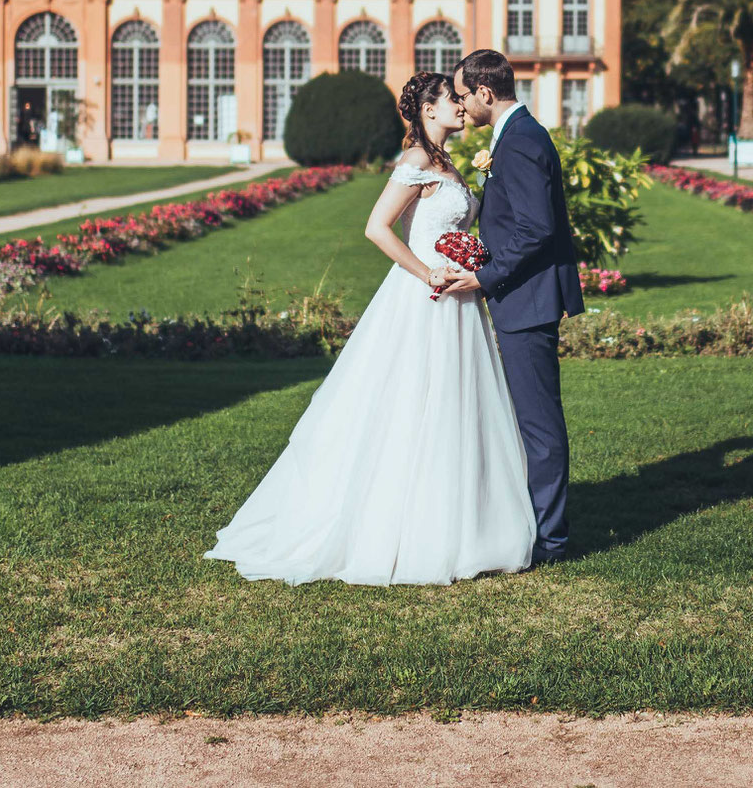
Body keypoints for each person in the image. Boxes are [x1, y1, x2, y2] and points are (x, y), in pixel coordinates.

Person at [204, 72, 536, 585]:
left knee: (454, 404)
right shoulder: (418, 161)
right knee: (409, 405)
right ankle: (401, 527)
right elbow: (376, 227)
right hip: (422, 297)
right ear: (429, 110)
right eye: (453, 99)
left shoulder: (447, 162)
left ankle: (461, 523)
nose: (463, 106)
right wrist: (427, 270)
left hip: (459, 298)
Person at [439, 49, 585, 565]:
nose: (460, 105)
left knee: (539, 424)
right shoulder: (518, 136)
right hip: (524, 295)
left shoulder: (521, 141)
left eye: (462, 95)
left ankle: (552, 541)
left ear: (484, 92)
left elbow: (536, 229)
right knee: (531, 419)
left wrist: (483, 276)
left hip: (527, 298)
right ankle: (540, 524)